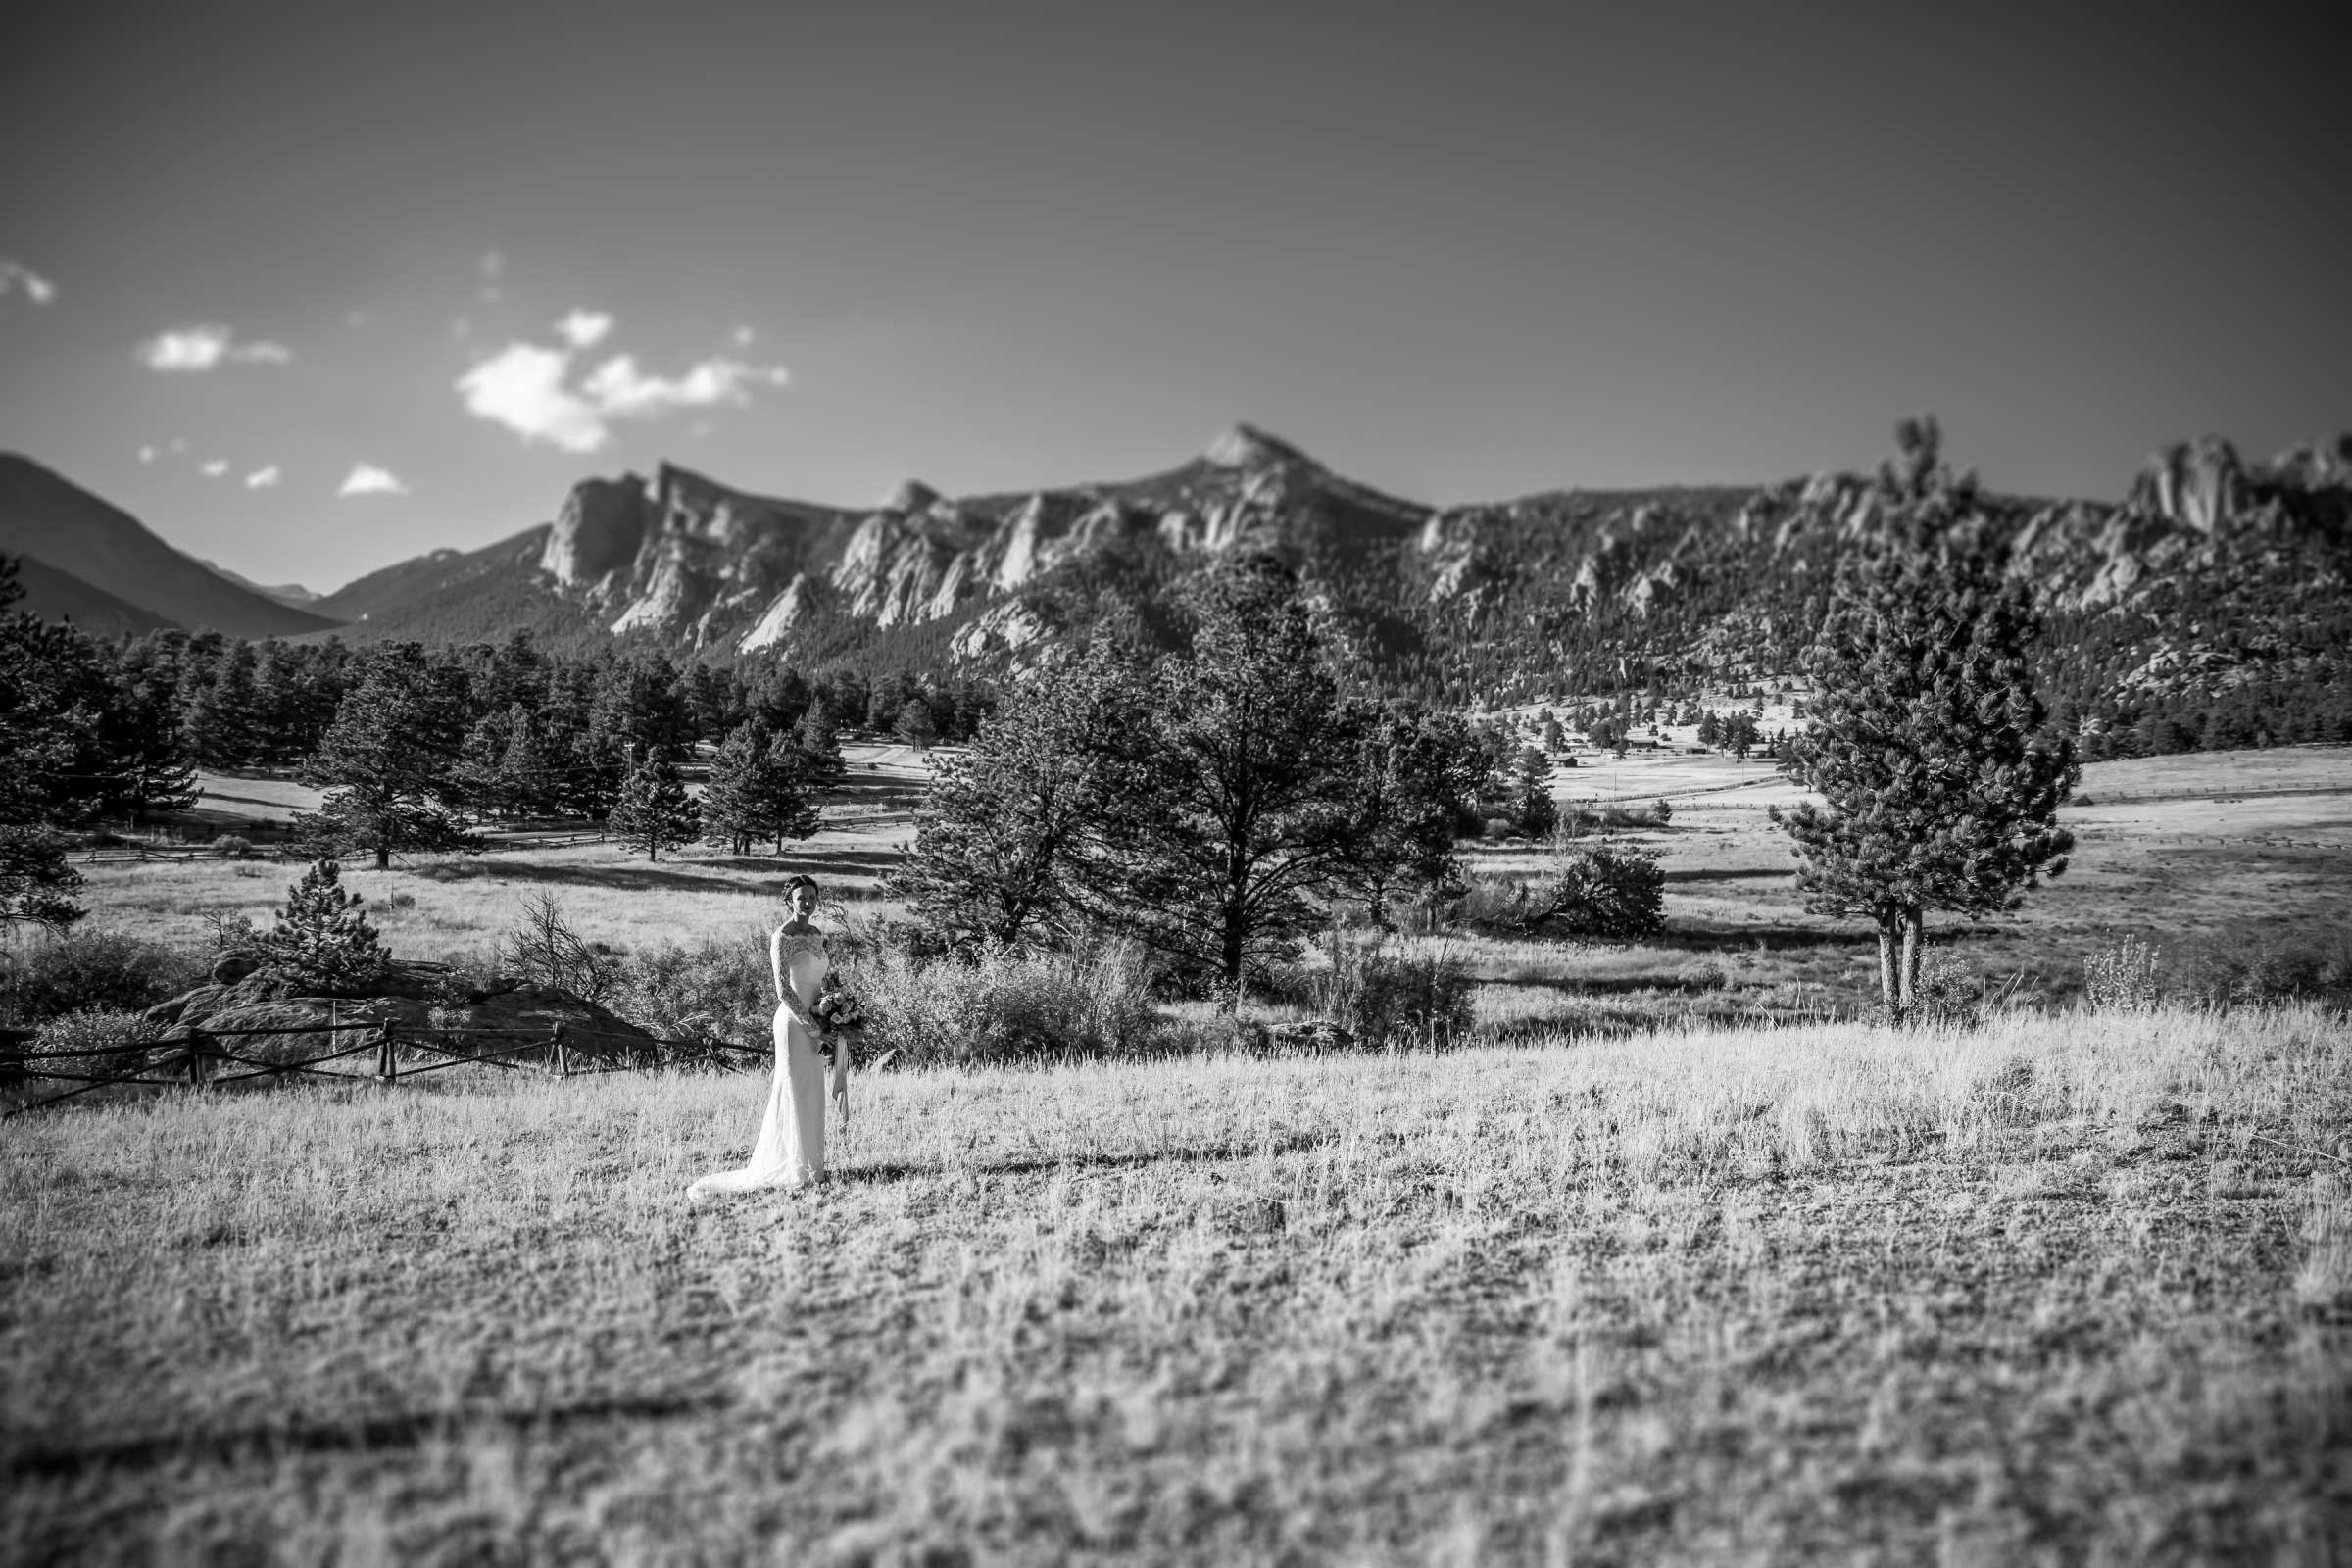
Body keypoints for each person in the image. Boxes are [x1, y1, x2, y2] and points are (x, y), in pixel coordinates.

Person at [687, 875, 850, 1200]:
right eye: (801, 897)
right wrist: (812, 1026)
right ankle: (792, 1169)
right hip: (793, 1023)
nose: (807, 903)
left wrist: (835, 1010)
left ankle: (812, 1167)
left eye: (812, 897)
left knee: (812, 1089)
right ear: (789, 900)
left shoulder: (817, 935)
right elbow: (783, 989)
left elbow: (823, 980)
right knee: (792, 1088)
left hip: (818, 1018)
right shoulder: (782, 937)